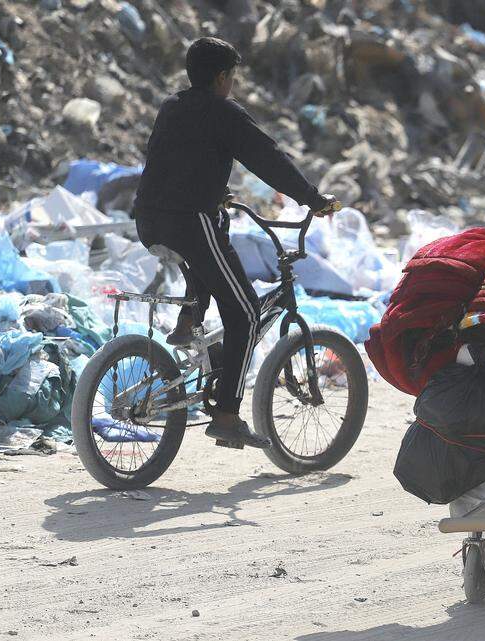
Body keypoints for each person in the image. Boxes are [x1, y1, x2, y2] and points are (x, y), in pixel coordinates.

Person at [132, 37, 337, 449]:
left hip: (150, 220)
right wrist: (313, 199)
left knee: (216, 237)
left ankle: (190, 320)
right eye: (233, 76)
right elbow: (267, 158)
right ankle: (226, 415)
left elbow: (174, 157)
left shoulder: (172, 105)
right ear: (223, 77)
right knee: (243, 312)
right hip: (189, 222)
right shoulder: (224, 113)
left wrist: (215, 191)